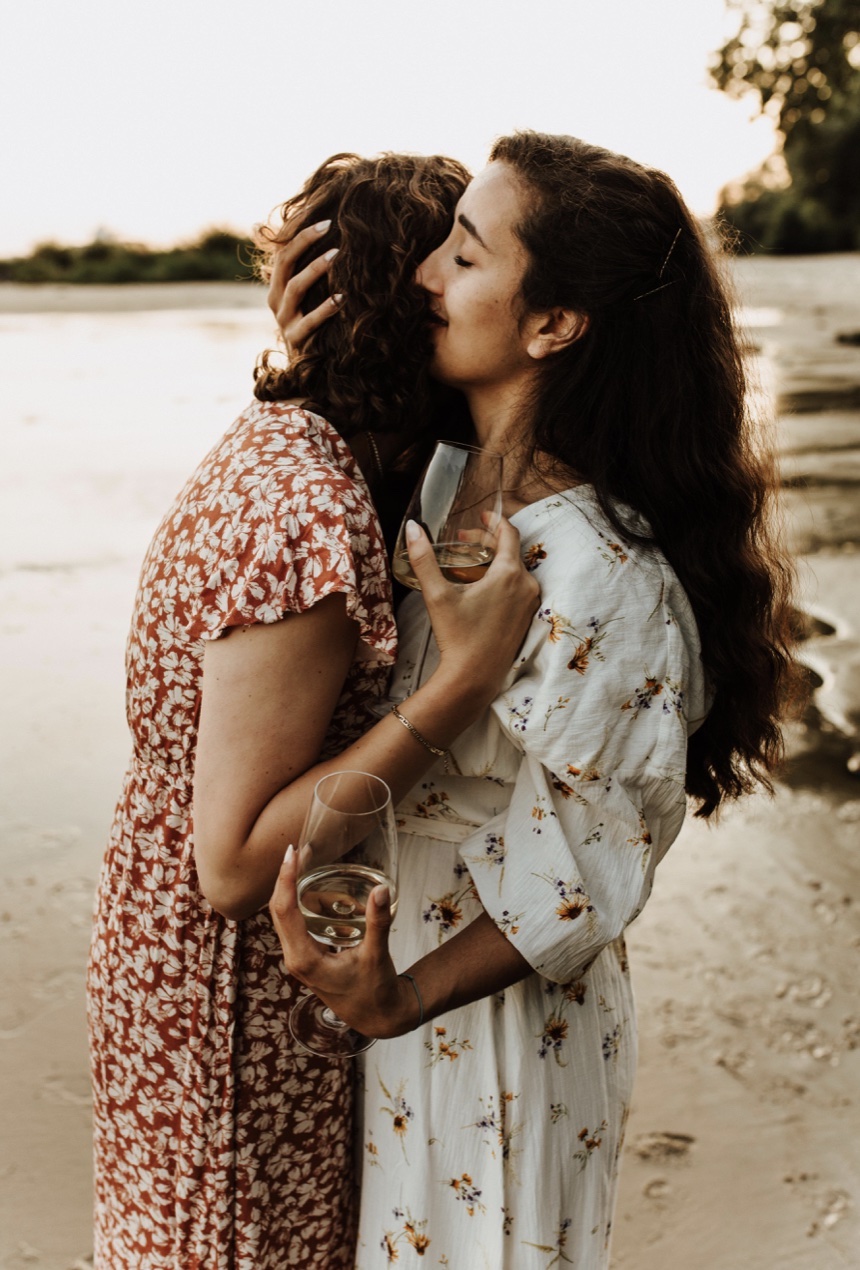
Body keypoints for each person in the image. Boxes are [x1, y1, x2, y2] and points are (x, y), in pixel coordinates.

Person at [270, 132, 800, 1268]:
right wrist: (305, 360)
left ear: (554, 324)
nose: (424, 274)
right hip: (388, 979)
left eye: (463, 256)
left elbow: (584, 859)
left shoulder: (604, 572)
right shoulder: (438, 479)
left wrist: (400, 998)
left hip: (491, 1022)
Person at [86, 150, 540, 1270]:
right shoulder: (305, 506)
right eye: (446, 270)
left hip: (174, 944)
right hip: (227, 979)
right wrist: (463, 683)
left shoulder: (291, 438)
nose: (457, 290)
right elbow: (235, 864)